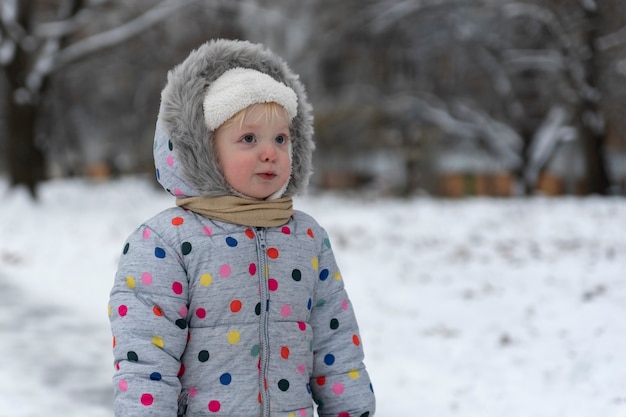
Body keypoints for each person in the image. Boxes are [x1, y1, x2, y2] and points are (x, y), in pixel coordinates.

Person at [108, 38, 376, 417]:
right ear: (203, 150)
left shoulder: (306, 237)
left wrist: (353, 409)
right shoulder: (166, 242)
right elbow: (146, 360)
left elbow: (335, 343)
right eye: (248, 138)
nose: (269, 152)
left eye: (280, 139)